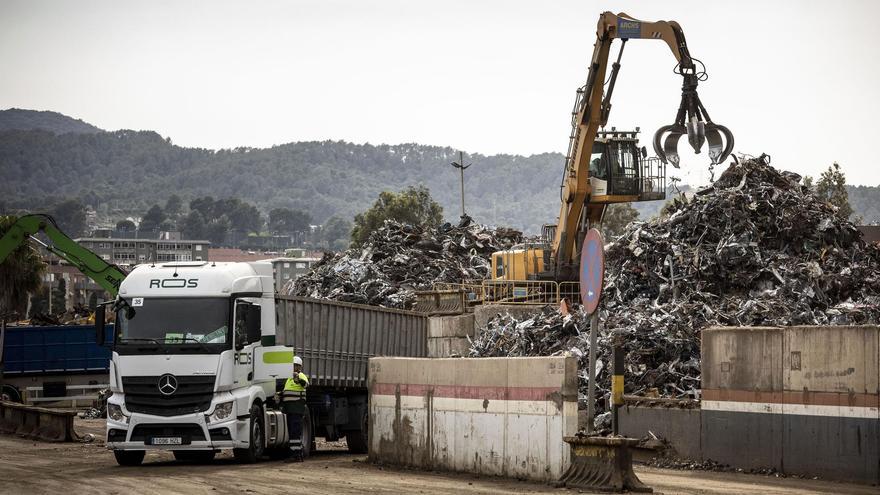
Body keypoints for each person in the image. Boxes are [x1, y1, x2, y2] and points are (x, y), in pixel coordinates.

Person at [280, 356, 309, 462]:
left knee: (295, 432)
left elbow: (305, 384)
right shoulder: (289, 379)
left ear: (299, 367)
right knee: (292, 433)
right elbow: (287, 391)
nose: (294, 368)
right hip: (290, 410)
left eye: (296, 366)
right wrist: (279, 395)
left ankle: (295, 455)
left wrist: (298, 379)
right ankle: (297, 454)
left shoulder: (301, 376)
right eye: (292, 366)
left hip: (297, 409)